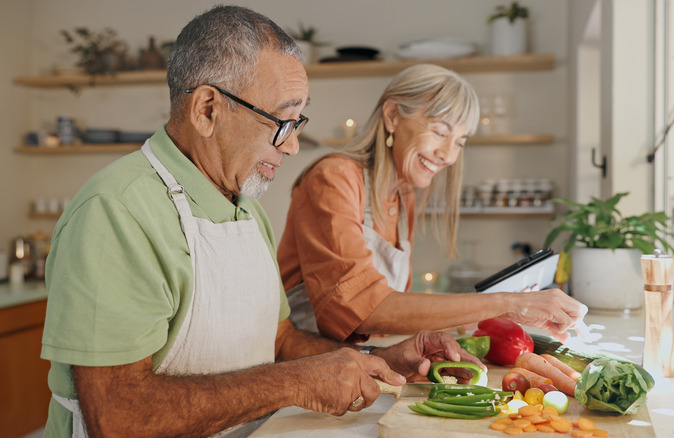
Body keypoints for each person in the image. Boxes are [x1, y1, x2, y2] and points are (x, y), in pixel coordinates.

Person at [40, 6, 482, 437]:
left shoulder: (245, 207)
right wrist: (295, 382)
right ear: (208, 110)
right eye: (281, 121)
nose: (291, 147)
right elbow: (119, 417)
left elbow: (280, 341)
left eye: (297, 121)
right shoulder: (116, 212)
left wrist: (380, 357)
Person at [277, 64, 587, 344]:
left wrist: (506, 312)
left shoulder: (403, 194)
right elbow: (363, 307)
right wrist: (508, 303)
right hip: (303, 368)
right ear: (393, 116)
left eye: (460, 142)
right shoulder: (333, 177)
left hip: (353, 363)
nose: (449, 156)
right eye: (440, 132)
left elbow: (389, 315)